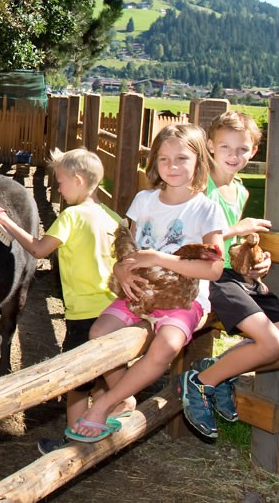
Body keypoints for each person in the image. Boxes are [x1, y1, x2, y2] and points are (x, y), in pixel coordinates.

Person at [67, 123, 226, 443]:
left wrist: (159, 259)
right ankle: (124, 395)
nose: (172, 166)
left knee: (167, 345)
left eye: (181, 158)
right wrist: (121, 270)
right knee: (98, 333)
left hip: (183, 299)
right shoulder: (144, 200)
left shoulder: (206, 209)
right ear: (154, 161)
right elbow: (127, 247)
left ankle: (104, 405)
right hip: (139, 292)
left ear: (199, 161)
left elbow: (214, 269)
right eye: (164, 159)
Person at [0, 148, 135, 453]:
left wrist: (4, 219)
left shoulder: (72, 216)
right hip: (113, 311)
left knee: (76, 383)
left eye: (61, 182)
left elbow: (38, 249)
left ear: (78, 180)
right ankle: (105, 418)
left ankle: (74, 441)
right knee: (105, 369)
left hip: (83, 313)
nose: (59, 189)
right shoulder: (112, 216)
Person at [179, 112, 279, 438]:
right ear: (210, 146)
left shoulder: (239, 191)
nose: (233, 155)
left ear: (253, 152)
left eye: (242, 149)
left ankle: (218, 371)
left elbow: (233, 244)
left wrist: (256, 258)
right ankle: (200, 384)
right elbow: (189, 239)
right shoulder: (199, 185)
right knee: (271, 343)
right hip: (211, 276)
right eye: (225, 147)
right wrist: (237, 228)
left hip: (238, 277)